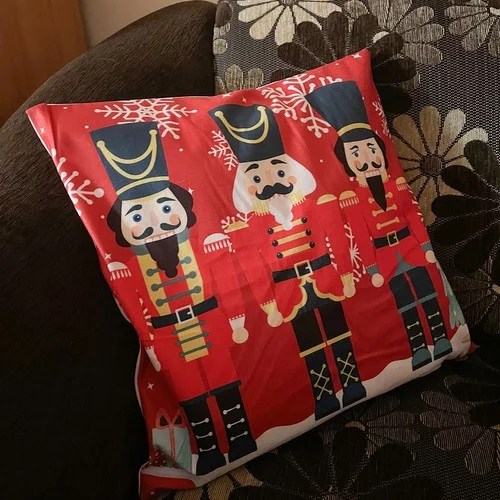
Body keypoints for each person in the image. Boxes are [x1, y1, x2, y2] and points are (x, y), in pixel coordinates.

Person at [91, 121, 256, 475]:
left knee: (225, 382)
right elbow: (138, 311)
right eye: (138, 216)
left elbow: (225, 280)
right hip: (169, 336)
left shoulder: (203, 245)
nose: (157, 222)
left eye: (165, 208)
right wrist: (152, 342)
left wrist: (237, 320)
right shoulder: (130, 268)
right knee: (192, 394)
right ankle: (208, 450)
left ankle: (242, 437)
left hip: (210, 322)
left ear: (183, 209)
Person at [210, 104, 367, 419]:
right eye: (258, 177)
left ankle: (352, 382)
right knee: (309, 344)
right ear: (246, 186)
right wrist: (268, 304)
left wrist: (347, 275)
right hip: (287, 291)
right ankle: (323, 394)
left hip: (324, 276)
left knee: (339, 332)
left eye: (279, 172)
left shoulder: (317, 205)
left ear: (293, 173)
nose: (270, 182)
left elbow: (336, 238)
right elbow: (252, 267)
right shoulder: (249, 227)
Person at [306, 81, 453, 370]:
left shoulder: (396, 186)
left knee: (426, 293)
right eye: (356, 153)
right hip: (384, 257)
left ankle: (441, 337)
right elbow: (361, 235)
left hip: (410, 247)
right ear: (347, 162)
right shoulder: (353, 200)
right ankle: (418, 347)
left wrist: (425, 246)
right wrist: (372, 269)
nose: (366, 159)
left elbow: (412, 218)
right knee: (405, 303)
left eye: (370, 149)